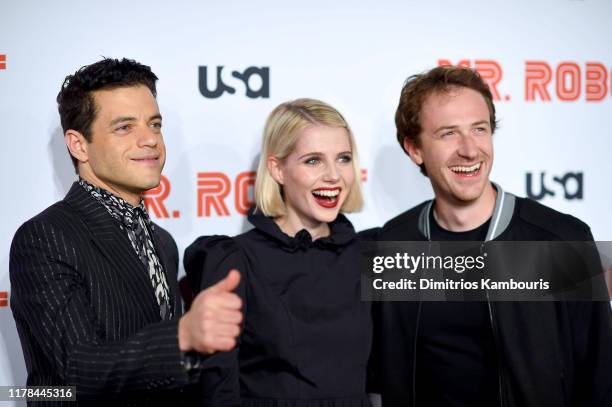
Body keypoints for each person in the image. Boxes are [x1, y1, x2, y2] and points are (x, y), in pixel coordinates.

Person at [369, 66, 612, 407]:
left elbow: (599, 376)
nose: (470, 150)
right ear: (414, 148)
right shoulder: (393, 245)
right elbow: (377, 375)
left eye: (479, 129)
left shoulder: (559, 240)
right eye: (448, 134)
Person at [9, 58, 242, 405]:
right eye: (124, 127)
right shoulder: (45, 237)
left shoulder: (162, 242)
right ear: (78, 145)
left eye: (155, 124)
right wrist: (182, 336)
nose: (149, 139)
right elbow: (77, 370)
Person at [184, 98, 372, 406]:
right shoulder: (235, 260)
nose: (334, 176)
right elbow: (218, 388)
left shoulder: (369, 256)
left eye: (343, 158)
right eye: (313, 160)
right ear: (277, 169)